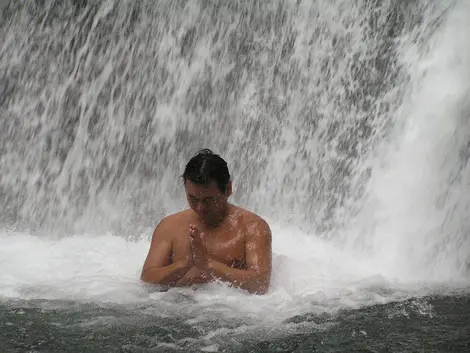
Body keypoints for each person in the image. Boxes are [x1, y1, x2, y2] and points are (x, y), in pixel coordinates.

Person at [140, 149, 272, 294]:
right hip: (173, 308)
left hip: (230, 310)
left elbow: (260, 284)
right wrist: (184, 264)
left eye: (208, 200)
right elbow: (147, 279)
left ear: (228, 189)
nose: (200, 208)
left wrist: (209, 265)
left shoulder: (253, 228)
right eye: (193, 199)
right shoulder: (170, 226)